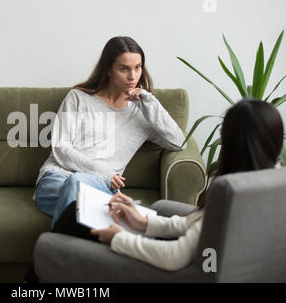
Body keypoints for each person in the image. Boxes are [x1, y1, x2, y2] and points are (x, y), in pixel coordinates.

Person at [52, 98, 284, 274]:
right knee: (79, 214)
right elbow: (199, 226)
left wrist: (118, 238)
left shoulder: (229, 191)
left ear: (231, 144)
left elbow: (175, 256)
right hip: (206, 262)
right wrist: (144, 222)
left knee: (65, 226)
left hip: (176, 272)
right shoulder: (270, 183)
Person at [34, 36, 186, 231]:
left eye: (138, 67)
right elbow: (61, 148)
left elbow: (179, 142)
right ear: (108, 69)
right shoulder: (78, 98)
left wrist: (148, 100)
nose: (132, 76)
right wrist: (103, 172)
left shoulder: (144, 113)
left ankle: (58, 256)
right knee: (76, 187)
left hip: (98, 187)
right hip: (56, 180)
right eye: (124, 69)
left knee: (78, 198)